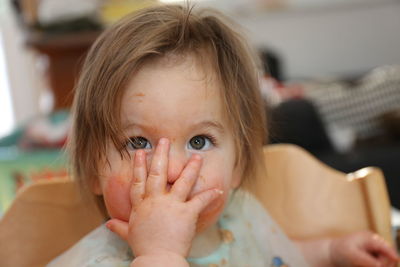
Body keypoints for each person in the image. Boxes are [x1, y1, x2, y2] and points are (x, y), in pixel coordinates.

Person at [48, 4, 399, 267]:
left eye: (199, 141)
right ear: (93, 168)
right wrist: (159, 255)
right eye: (139, 143)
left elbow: (272, 255)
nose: (171, 171)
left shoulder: (240, 215)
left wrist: (331, 252)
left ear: (238, 165)